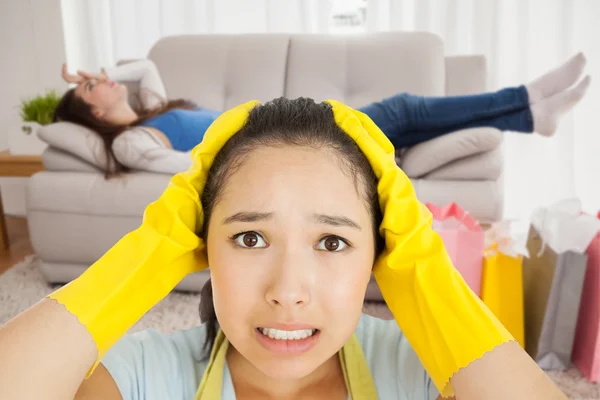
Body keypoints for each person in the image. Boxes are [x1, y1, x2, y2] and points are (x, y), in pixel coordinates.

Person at [1, 96, 567, 399]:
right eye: (250, 238)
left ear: (382, 250)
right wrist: (146, 255)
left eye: (333, 240)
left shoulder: (427, 372)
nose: (287, 293)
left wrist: (425, 276)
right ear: (199, 243)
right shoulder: (145, 377)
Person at [53, 53, 590, 175]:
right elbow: (189, 169)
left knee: (404, 119)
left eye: (100, 78)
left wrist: (86, 79)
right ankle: (525, 98)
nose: (103, 81)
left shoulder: (149, 106)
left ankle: (527, 113)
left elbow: (143, 67)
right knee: (401, 109)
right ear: (92, 114)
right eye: (91, 88)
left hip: (292, 127)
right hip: (287, 140)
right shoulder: (129, 143)